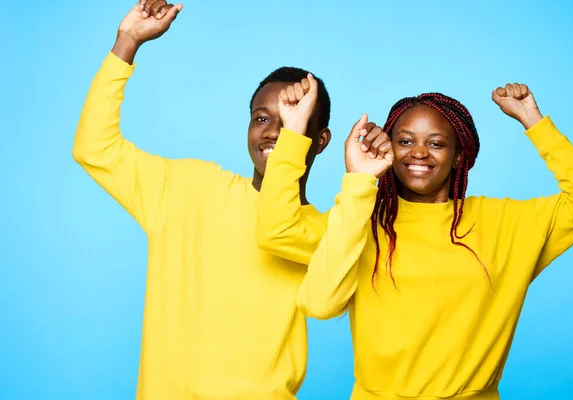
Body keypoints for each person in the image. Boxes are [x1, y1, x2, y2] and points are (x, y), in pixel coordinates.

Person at [71, 0, 361, 397]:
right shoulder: (188, 188)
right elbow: (94, 149)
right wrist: (128, 42)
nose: (273, 132)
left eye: (291, 122)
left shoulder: (326, 233)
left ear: (320, 140)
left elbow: (285, 238)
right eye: (262, 118)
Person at [259, 83, 573, 399]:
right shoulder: (359, 217)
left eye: (436, 143)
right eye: (405, 141)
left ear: (459, 156)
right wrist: (354, 180)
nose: (418, 153)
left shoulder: (507, 223)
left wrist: (533, 120)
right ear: (388, 149)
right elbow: (283, 241)